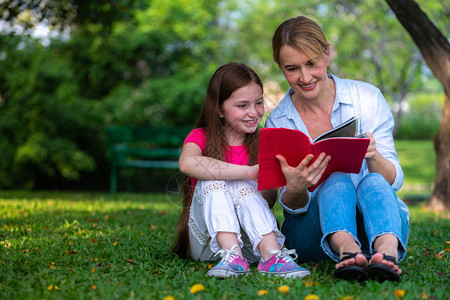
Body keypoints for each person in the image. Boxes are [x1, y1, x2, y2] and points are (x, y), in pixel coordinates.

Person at [265, 16, 409, 282]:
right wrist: (296, 189)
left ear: (327, 54)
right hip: (314, 232)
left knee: (375, 180)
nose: (305, 77)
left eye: (312, 63)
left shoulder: (366, 98)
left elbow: (393, 181)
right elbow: (289, 205)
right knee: (337, 179)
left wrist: (373, 155)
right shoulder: (278, 121)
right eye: (292, 68)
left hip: (378, 224)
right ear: (280, 66)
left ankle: (387, 253)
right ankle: (348, 251)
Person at [172, 62, 310, 279]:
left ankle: (272, 256)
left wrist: (275, 180)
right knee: (217, 177)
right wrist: (248, 173)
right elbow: (187, 163)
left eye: (258, 103)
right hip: (207, 244)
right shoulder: (201, 136)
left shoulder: (264, 143)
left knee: (241, 184)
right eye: (242, 105)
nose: (254, 112)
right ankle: (230, 254)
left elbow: (268, 201)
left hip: (252, 244)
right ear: (218, 109)